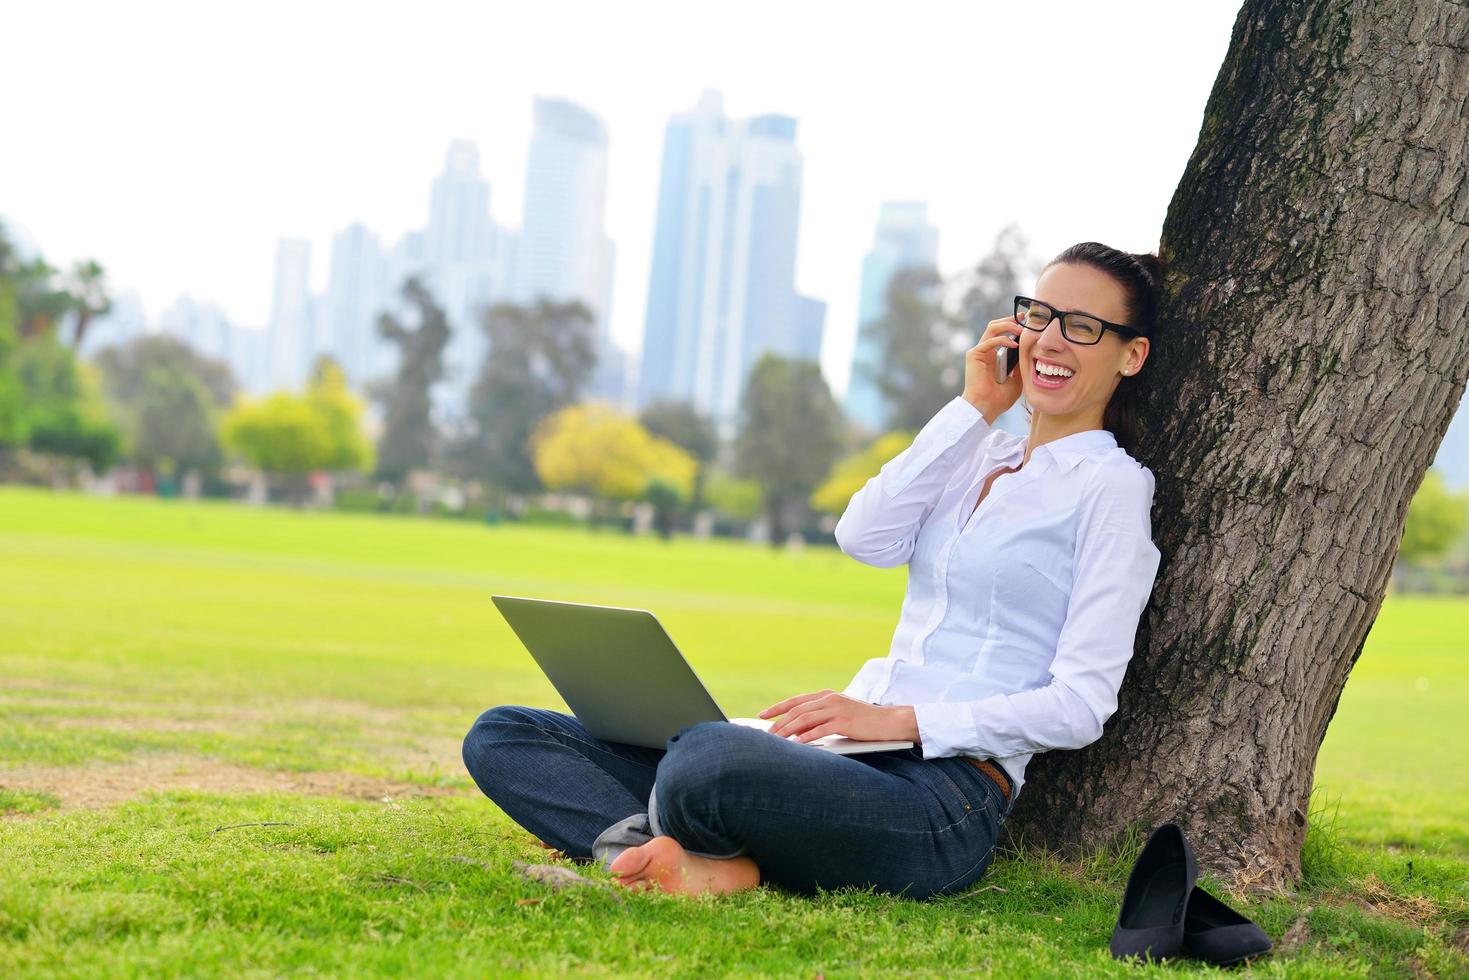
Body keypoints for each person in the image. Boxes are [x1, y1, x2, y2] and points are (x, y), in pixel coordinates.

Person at [461, 241, 1164, 900]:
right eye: (1038, 315)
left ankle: (692, 849)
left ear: (1129, 357)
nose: (1046, 340)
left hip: (943, 796)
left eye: (1080, 326)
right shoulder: (975, 451)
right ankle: (656, 856)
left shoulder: (1112, 488)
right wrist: (975, 408)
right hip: (840, 757)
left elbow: (1079, 707)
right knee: (506, 733)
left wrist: (896, 718)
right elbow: (864, 537)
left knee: (704, 762)